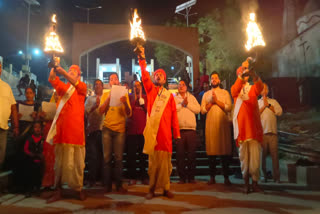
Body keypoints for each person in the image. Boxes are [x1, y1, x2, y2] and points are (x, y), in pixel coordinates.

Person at [136, 46, 180, 199]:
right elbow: (145, 76)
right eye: (156, 74)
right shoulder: (150, 90)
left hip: (166, 135)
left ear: (165, 78)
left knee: (166, 165)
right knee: (153, 164)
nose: (158, 76)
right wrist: (142, 59)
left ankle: (166, 188)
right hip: (153, 134)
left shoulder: (169, 96)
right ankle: (151, 189)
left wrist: (177, 133)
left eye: (161, 74)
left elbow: (174, 116)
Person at [46, 65, 87, 203]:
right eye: (69, 71)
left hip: (76, 133)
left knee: (77, 164)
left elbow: (73, 81)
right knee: (59, 164)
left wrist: (62, 71)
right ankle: (57, 190)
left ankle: (78, 189)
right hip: (62, 132)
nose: (70, 73)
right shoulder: (63, 88)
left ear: (79, 76)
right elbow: (52, 79)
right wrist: (53, 67)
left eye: (74, 72)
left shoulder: (82, 87)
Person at [231, 58, 264, 193]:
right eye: (242, 73)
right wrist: (242, 74)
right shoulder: (236, 90)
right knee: (244, 159)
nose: (245, 76)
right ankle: (246, 183)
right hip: (242, 130)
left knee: (255, 159)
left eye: (246, 74)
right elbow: (234, 90)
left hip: (254, 128)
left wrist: (253, 73)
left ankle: (255, 183)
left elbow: (260, 87)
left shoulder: (252, 88)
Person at [99, 73, 131, 193]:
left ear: (119, 81)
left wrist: (125, 102)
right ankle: (107, 185)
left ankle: (119, 185)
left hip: (120, 130)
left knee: (118, 159)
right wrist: (108, 98)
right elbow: (101, 111)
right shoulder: (105, 94)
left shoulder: (124, 94)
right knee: (106, 159)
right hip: (107, 129)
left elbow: (128, 113)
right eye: (111, 79)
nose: (114, 80)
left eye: (116, 79)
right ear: (109, 83)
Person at [201, 72, 233, 185]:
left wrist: (217, 102)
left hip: (223, 125)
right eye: (212, 78)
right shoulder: (206, 94)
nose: (214, 80)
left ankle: (226, 177)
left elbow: (229, 107)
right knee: (212, 152)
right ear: (210, 81)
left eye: (216, 78)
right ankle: (212, 177)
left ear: (219, 81)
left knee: (224, 152)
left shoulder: (225, 93)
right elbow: (203, 110)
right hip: (210, 125)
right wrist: (211, 103)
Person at [174, 80, 200, 184]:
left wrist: (187, 104)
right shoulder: (175, 98)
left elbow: (198, 109)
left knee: (191, 155)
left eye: (183, 85)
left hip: (191, 130)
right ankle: (182, 178)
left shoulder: (192, 97)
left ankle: (191, 177)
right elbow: (172, 110)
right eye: (179, 85)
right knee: (180, 155)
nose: (181, 86)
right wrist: (181, 104)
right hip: (179, 129)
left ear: (186, 87)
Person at [258, 83, 283, 183]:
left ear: (268, 91)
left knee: (275, 156)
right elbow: (255, 115)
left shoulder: (273, 101)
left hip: (273, 132)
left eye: (266, 88)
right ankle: (263, 176)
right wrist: (263, 106)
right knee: (262, 157)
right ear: (259, 91)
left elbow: (279, 112)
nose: (264, 90)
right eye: (262, 89)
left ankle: (277, 177)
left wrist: (268, 105)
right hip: (262, 134)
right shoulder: (257, 103)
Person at [126, 80, 148, 185]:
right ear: (132, 87)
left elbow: (148, 110)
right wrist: (135, 98)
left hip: (143, 131)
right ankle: (132, 177)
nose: (137, 87)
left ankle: (144, 176)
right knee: (131, 157)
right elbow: (127, 112)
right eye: (135, 86)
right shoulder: (129, 97)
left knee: (143, 156)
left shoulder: (145, 97)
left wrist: (141, 101)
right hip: (131, 132)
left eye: (138, 86)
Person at [0, 61, 19, 171]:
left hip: (3, 128)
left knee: (1, 156)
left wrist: (16, 126)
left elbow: (13, 107)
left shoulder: (6, 87)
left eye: (0, 67)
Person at [85, 79, 104, 187]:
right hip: (92, 130)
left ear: (102, 86)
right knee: (93, 156)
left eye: (99, 85)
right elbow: (86, 113)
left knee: (102, 156)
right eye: (95, 85)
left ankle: (102, 180)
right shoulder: (89, 99)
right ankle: (92, 179)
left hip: (103, 129)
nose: (97, 86)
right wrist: (94, 107)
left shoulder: (106, 98)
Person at [40, 91, 60, 190]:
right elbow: (43, 121)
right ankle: (47, 183)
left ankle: (56, 183)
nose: (56, 96)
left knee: (57, 158)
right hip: (48, 131)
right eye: (55, 95)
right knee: (48, 157)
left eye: (58, 95)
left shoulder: (63, 106)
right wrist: (43, 116)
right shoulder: (48, 106)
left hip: (59, 132)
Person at [23, 121, 44, 197]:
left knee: (38, 176)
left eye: (39, 127)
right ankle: (29, 190)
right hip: (30, 161)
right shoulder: (29, 139)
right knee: (29, 176)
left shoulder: (43, 140)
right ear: (32, 129)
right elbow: (25, 149)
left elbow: (45, 149)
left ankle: (38, 189)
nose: (37, 129)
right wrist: (30, 154)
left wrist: (42, 155)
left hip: (39, 161)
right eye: (35, 127)